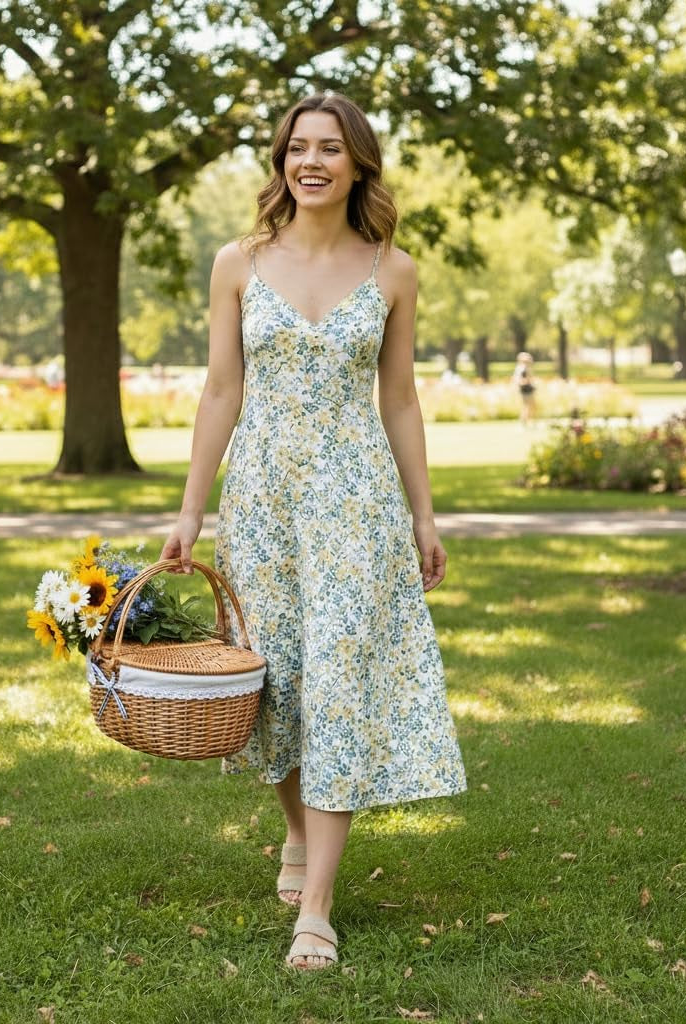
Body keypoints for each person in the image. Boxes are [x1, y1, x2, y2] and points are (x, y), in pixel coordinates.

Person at [160, 92, 467, 972]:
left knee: (336, 688)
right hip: (261, 501)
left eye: (332, 148)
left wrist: (423, 513)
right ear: (282, 161)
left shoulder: (393, 271)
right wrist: (192, 510)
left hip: (356, 506)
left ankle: (318, 912)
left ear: (359, 163)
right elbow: (221, 391)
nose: (314, 162)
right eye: (300, 148)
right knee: (282, 688)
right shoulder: (238, 263)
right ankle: (297, 833)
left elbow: (400, 399)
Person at [512, 351, 536, 427]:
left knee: (529, 407)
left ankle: (528, 422)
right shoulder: (522, 369)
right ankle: (524, 423)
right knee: (526, 407)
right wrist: (527, 381)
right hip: (525, 389)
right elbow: (519, 380)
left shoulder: (523, 368)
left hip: (528, 389)